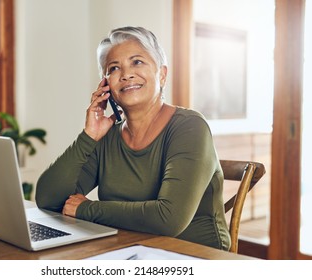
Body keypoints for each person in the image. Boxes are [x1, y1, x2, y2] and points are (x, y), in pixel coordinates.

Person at [36, 26, 231, 250]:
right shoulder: (108, 136)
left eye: (137, 62)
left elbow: (168, 219)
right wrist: (88, 136)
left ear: (162, 74)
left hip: (192, 256)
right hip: (126, 250)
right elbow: (49, 199)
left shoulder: (189, 127)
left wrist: (85, 209)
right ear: (105, 85)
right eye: (114, 68)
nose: (126, 74)